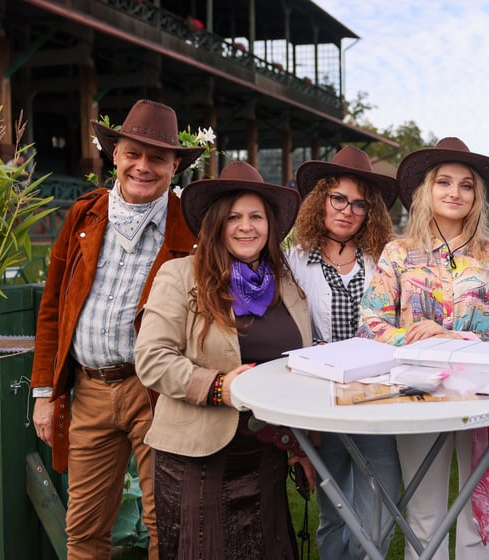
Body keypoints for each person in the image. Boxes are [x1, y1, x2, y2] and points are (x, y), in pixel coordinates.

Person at [29, 99, 204, 559]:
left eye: (157, 158)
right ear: (115, 156)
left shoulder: (189, 227)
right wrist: (45, 394)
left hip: (157, 394)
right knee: (83, 528)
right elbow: (52, 308)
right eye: (133, 154)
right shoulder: (84, 215)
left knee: (168, 525)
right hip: (89, 390)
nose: (142, 167)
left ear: (174, 166)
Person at [134, 161, 315, 559]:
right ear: (215, 223)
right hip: (198, 458)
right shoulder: (179, 275)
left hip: (265, 454)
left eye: (256, 217)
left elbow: (297, 365)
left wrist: (300, 444)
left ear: (270, 225)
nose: (245, 227)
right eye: (233, 217)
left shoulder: (286, 285)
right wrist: (218, 387)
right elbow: (151, 359)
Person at [358, 137, 489, 560]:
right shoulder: (398, 252)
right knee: (424, 512)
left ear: (477, 197)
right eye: (444, 182)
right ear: (426, 191)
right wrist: (423, 339)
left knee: (481, 511)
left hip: (482, 394)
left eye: (466, 185)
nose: (455, 192)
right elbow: (370, 325)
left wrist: (462, 339)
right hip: (419, 393)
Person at [286, 146, 401, 559]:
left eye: (359, 204)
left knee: (383, 501)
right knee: (334, 505)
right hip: (323, 398)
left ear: (370, 212)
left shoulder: (384, 259)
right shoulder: (295, 260)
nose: (348, 211)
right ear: (320, 200)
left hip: (377, 396)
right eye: (338, 198)